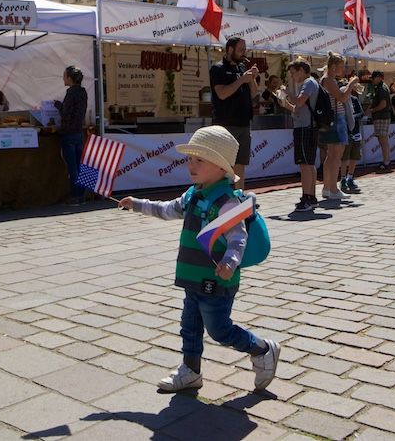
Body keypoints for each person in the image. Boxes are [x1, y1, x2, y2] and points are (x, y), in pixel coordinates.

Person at [118, 126, 280, 393]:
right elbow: (168, 209)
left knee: (220, 330)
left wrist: (230, 263)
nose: (191, 165)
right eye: (190, 159)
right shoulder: (193, 193)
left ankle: (263, 349)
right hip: (193, 277)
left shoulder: (227, 201)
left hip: (216, 279)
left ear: (220, 166)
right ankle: (190, 371)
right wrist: (137, 204)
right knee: (189, 327)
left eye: (200, 160)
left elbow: (238, 238)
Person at [210, 37, 259, 189]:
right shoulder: (218, 68)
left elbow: (253, 94)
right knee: (222, 163)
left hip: (243, 122)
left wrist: (252, 78)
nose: (244, 53)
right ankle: (218, 195)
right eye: (241, 50)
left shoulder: (242, 67)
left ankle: (239, 195)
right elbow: (222, 94)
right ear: (230, 49)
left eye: (245, 49)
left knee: (240, 163)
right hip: (225, 123)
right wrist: (241, 80)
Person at [280, 60, 319, 212]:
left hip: (305, 127)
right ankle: (311, 197)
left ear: (301, 70)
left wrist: (288, 92)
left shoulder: (308, 83)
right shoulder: (309, 83)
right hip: (306, 125)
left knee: (305, 164)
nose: (292, 76)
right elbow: (297, 108)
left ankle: (307, 197)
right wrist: (285, 103)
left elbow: (300, 102)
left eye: (293, 73)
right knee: (309, 163)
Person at [319, 52, 359, 200]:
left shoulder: (327, 79)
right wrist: (351, 84)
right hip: (336, 118)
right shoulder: (329, 80)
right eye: (341, 66)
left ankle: (327, 188)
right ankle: (333, 189)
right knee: (336, 156)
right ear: (334, 66)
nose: (343, 69)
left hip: (333, 118)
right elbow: (342, 98)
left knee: (331, 156)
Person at [55, 66, 88, 205]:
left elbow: (66, 113)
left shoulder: (71, 93)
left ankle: (75, 196)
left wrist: (58, 105)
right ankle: (82, 195)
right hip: (79, 132)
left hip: (69, 133)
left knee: (72, 167)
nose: (63, 78)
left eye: (64, 76)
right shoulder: (83, 92)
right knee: (80, 165)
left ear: (69, 78)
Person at [340, 81, 364, 193]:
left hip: (355, 131)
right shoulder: (339, 100)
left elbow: (361, 113)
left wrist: (352, 117)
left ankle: (350, 177)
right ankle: (342, 178)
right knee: (345, 157)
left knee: (355, 156)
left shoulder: (354, 99)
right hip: (345, 132)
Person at [365, 71, 392, 170]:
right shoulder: (379, 87)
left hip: (382, 116)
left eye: (373, 78)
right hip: (381, 116)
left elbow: (383, 105)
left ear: (379, 78)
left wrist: (372, 110)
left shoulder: (382, 88)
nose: (372, 80)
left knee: (383, 140)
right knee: (382, 140)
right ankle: (386, 161)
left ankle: (387, 162)